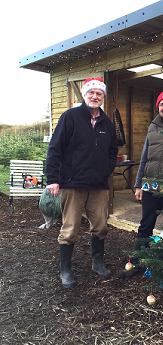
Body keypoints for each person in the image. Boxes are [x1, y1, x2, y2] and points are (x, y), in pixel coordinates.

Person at [46, 77, 118, 288]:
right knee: (70, 228)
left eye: (99, 94)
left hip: (98, 185)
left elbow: (113, 150)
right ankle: (65, 271)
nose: (95, 97)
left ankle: (97, 263)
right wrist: (52, 179)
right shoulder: (70, 117)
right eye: (91, 93)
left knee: (101, 226)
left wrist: (107, 169)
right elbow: (55, 148)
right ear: (85, 95)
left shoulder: (107, 123)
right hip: (73, 182)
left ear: (103, 97)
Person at [118, 91, 163, 278]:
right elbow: (145, 157)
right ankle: (138, 262)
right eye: (161, 104)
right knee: (145, 225)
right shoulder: (153, 127)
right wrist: (138, 185)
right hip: (150, 186)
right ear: (158, 107)